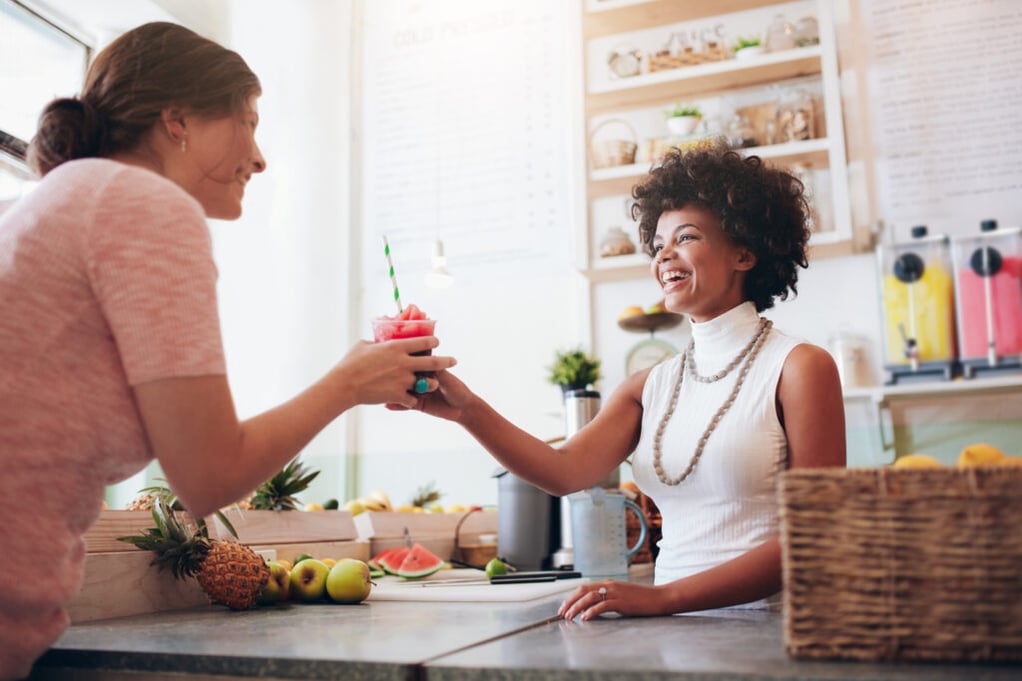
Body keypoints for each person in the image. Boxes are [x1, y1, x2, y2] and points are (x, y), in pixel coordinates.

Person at [0, 22, 454, 679]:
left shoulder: (57, 201)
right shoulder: (143, 203)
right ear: (177, 119)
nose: (261, 157)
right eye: (248, 120)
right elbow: (209, 474)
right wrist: (349, 383)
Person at [413, 139, 846, 620]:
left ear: (744, 253)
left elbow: (816, 533)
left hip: (767, 631)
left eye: (686, 238)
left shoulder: (799, 367)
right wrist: (466, 411)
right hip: (664, 635)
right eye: (658, 245)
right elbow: (562, 472)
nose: (664, 256)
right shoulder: (649, 386)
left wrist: (666, 596)